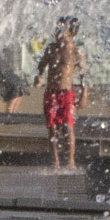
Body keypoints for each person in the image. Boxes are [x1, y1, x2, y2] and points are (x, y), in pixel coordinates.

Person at [36, 15, 83, 169]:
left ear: (72, 33)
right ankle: (55, 160)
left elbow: (84, 74)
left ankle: (70, 160)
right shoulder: (51, 48)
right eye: (58, 27)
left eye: (62, 28)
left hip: (67, 94)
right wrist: (39, 76)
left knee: (68, 127)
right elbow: (42, 65)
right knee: (52, 128)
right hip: (51, 93)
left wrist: (84, 94)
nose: (58, 31)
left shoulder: (76, 51)